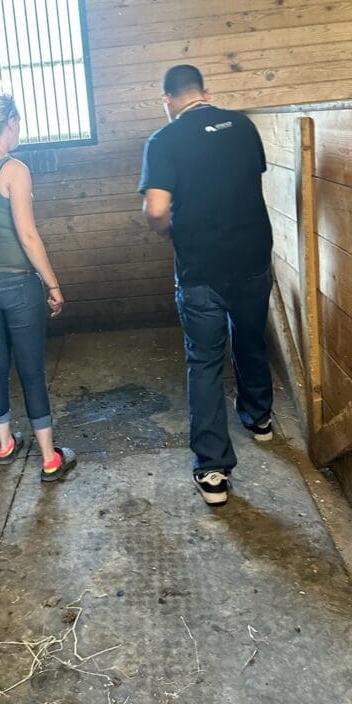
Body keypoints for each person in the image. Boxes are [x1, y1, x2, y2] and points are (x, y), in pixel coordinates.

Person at [139, 65, 274, 506]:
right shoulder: (243, 125)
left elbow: (156, 209)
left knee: (204, 362)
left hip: (200, 267)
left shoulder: (164, 140)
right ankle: (260, 419)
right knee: (251, 337)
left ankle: (213, 470)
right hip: (253, 256)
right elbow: (251, 177)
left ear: (167, 99)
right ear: (205, 92)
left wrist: (168, 232)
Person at [0, 93, 76, 482]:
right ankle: (49, 458)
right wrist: (53, 285)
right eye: (19, 123)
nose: (20, 130)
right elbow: (27, 234)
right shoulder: (14, 169)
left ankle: (5, 444)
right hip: (18, 283)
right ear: (11, 123)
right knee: (32, 371)